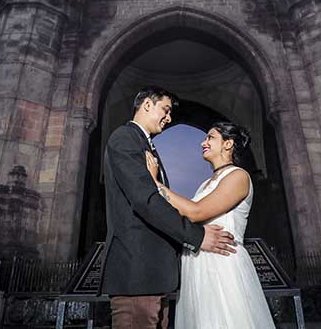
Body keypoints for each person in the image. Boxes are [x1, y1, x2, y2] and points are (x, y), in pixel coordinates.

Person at [100, 86, 237, 329]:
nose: (169, 117)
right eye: (165, 109)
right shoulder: (125, 138)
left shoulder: (146, 145)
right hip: (138, 274)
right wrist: (197, 236)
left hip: (153, 276)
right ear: (147, 105)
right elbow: (146, 201)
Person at [146, 121, 276, 328]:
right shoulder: (205, 184)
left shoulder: (238, 176)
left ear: (228, 144)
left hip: (221, 264)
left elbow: (195, 212)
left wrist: (155, 184)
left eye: (210, 137)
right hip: (197, 266)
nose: (203, 143)